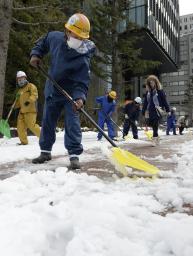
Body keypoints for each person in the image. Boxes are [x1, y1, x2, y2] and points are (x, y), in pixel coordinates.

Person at [29, 13, 96, 169]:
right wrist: (36, 54)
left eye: (82, 37)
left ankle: (74, 155)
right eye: (76, 35)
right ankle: (45, 151)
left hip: (71, 94)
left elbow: (82, 81)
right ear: (68, 31)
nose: (78, 39)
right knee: (48, 121)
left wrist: (79, 98)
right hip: (53, 88)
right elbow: (43, 42)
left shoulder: (83, 57)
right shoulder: (55, 38)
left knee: (72, 122)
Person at [142, 75, 170, 146]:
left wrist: (168, 110)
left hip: (157, 110)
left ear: (156, 82)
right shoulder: (148, 93)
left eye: (152, 82)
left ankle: (154, 139)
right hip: (150, 111)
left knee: (155, 123)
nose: (151, 84)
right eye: (150, 83)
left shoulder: (160, 91)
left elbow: (164, 101)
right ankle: (156, 137)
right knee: (152, 124)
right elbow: (145, 102)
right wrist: (143, 110)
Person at [14, 71, 41, 145]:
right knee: (20, 128)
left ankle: (44, 138)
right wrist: (14, 106)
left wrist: (29, 100)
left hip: (31, 110)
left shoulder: (31, 86)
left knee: (32, 126)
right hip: (22, 111)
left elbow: (35, 95)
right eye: (19, 80)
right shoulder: (19, 91)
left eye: (21, 79)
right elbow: (18, 102)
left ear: (25, 78)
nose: (20, 81)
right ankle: (24, 142)